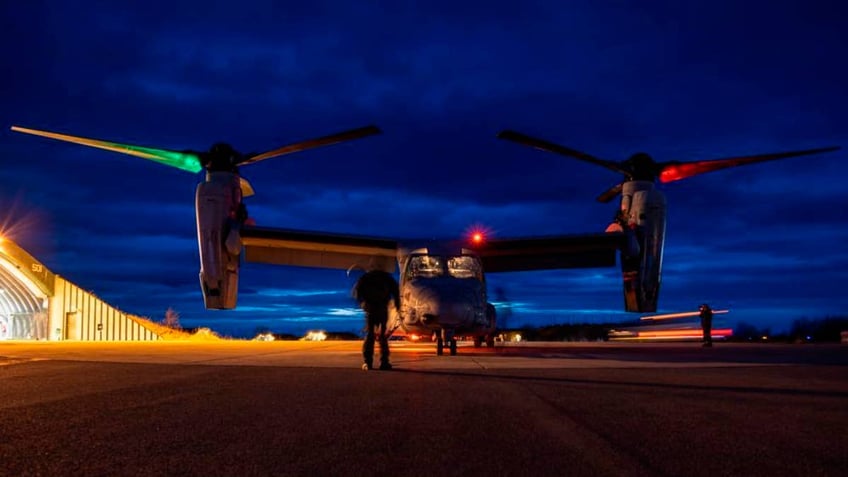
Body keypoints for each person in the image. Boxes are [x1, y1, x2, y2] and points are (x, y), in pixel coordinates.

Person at [353, 269, 400, 370]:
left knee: (370, 335)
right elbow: (396, 292)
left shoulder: (366, 277)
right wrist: (398, 306)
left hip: (371, 309)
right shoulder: (387, 277)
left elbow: (357, 292)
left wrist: (362, 303)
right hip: (382, 309)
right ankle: (384, 362)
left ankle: (368, 362)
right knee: (383, 336)